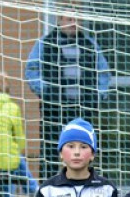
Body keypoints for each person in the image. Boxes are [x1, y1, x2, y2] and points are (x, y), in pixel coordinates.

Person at [25, 14, 111, 176]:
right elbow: (32, 69)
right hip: (54, 108)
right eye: (69, 19)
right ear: (60, 21)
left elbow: (103, 71)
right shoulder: (45, 43)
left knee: (83, 148)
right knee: (51, 149)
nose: (74, 23)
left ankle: (82, 182)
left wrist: (99, 94)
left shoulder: (90, 44)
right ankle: (49, 185)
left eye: (77, 20)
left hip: (82, 108)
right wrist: (45, 90)